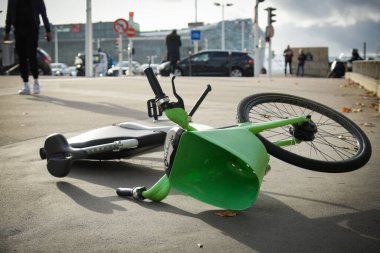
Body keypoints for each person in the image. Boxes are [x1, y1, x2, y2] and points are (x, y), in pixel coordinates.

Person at [4, 0, 52, 95]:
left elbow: (43, 12)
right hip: (18, 29)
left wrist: (48, 30)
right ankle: (25, 84)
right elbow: (9, 13)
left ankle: (36, 82)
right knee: (22, 57)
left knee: (31, 55)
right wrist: (7, 31)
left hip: (32, 28)